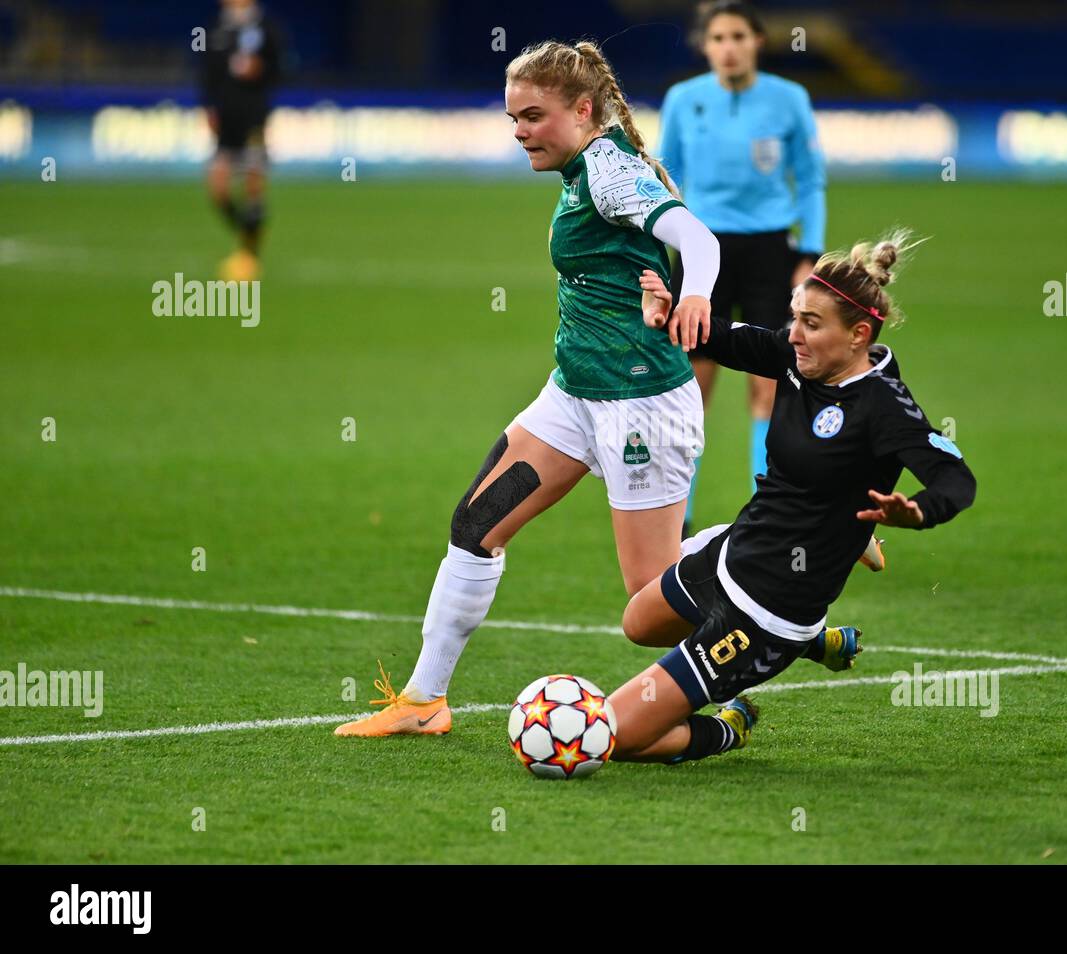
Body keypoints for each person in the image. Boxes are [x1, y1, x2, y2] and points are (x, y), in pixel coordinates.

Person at [336, 39, 722, 737]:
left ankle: (798, 547)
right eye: (513, 118)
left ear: (582, 109)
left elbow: (699, 239)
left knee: (649, 599)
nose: (519, 132)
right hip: (574, 396)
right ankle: (424, 702)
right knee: (477, 525)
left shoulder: (607, 171)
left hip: (641, 407)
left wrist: (696, 295)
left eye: (533, 116)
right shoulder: (582, 168)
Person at [604, 233, 976, 765]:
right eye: (794, 316)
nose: (794, 334)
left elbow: (955, 477)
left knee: (607, 736)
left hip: (767, 610)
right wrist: (666, 315)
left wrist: (918, 511)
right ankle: (821, 628)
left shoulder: (883, 407)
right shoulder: (798, 358)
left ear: (859, 335)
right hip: (736, 552)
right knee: (638, 623)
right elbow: (721, 337)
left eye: (811, 323)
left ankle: (728, 728)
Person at [658, 0, 827, 533]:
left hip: (769, 254)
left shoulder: (789, 99)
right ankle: (677, 517)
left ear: (757, 40)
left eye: (737, 37)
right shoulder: (684, 100)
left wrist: (808, 255)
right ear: (705, 46)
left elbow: (811, 178)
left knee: (771, 382)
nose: (728, 48)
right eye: (718, 39)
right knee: (690, 384)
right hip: (701, 251)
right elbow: (665, 179)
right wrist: (662, 253)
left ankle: (766, 514)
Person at [200, 0, 281, 281]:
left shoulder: (267, 29)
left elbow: (283, 69)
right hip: (226, 121)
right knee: (218, 188)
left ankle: (249, 255)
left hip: (254, 119)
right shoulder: (216, 30)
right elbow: (208, 74)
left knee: (253, 183)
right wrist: (208, 107)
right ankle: (247, 232)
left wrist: (261, 69)